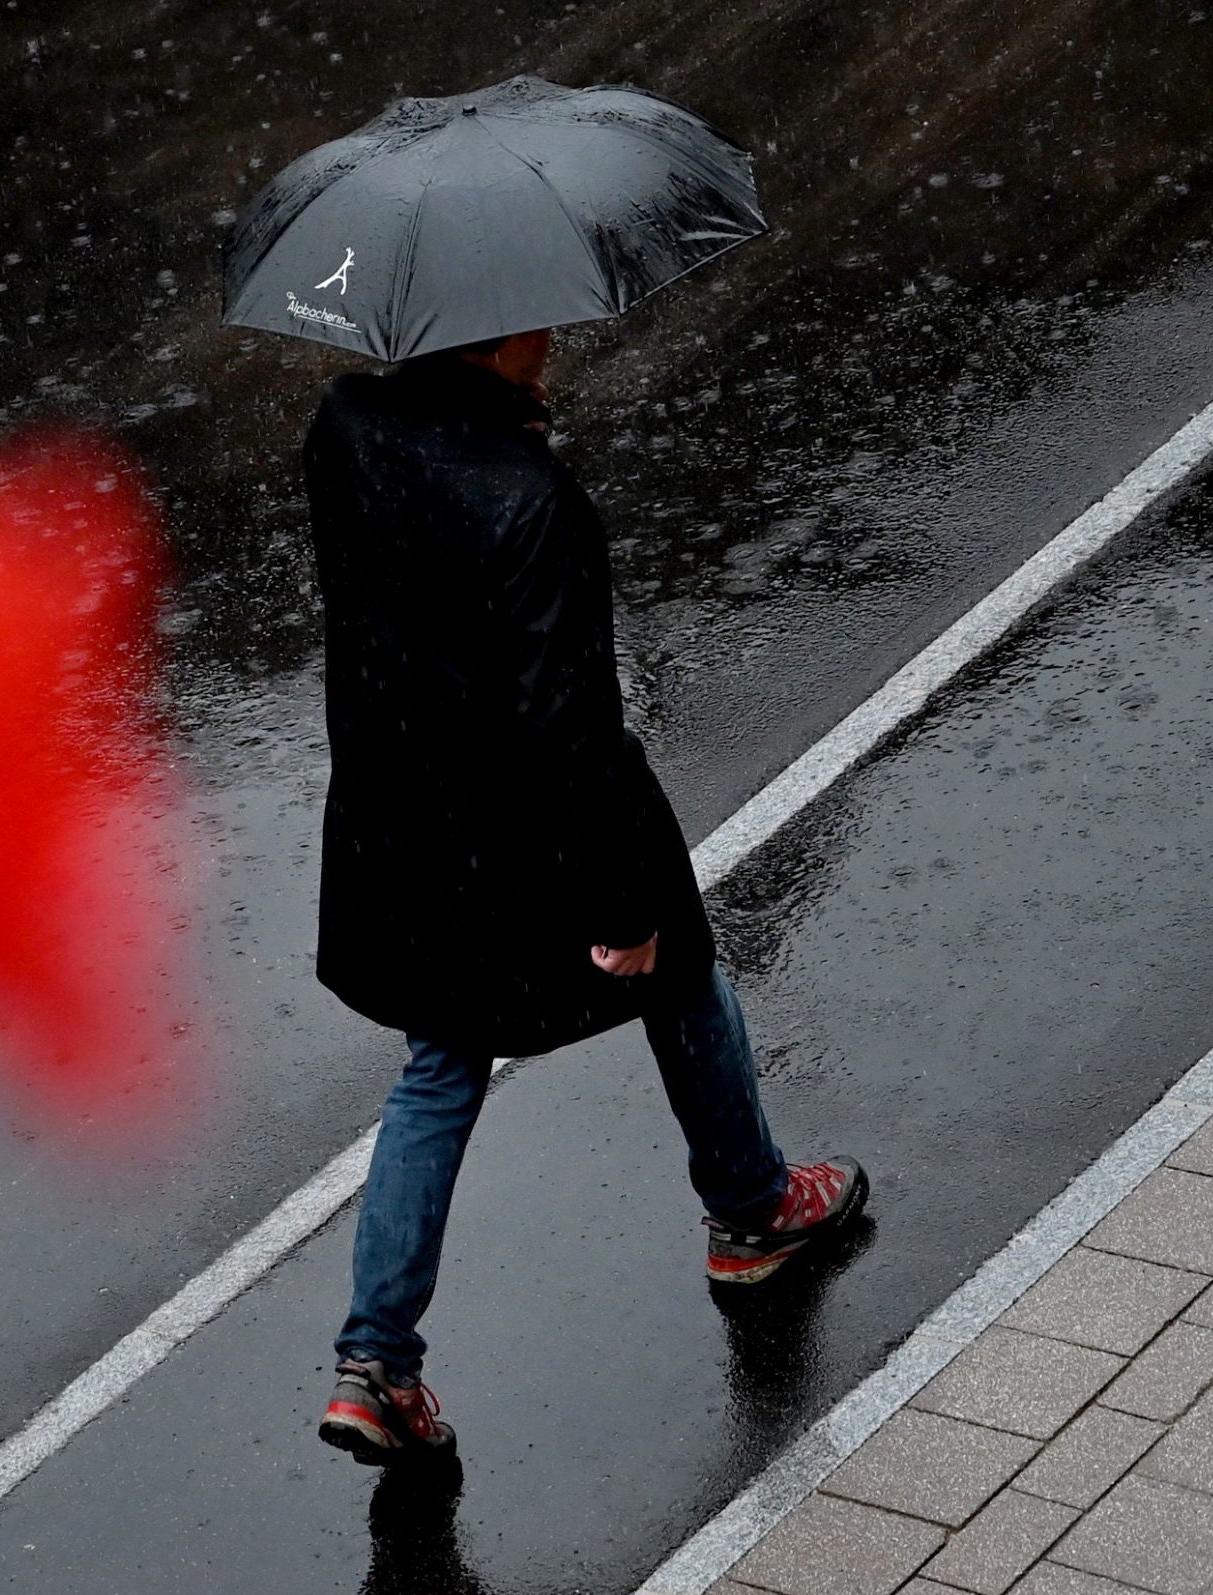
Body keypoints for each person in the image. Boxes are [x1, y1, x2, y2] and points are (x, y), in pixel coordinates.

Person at [305, 329, 866, 1465]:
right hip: (522, 824)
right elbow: (568, 720)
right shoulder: (530, 502)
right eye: (532, 329)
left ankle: (376, 1364)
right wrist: (623, 905)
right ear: (496, 341)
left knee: (441, 1062)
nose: (551, 341)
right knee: (684, 973)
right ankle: (755, 1212)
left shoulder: (347, 429)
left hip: (400, 817)